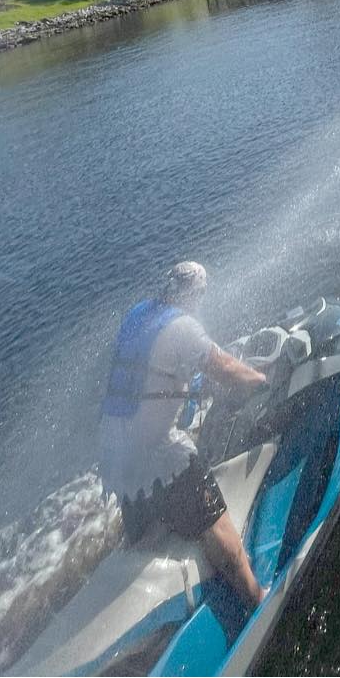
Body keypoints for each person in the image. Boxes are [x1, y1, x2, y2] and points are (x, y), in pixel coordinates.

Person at [99, 261, 269, 610]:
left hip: (113, 455)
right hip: (158, 456)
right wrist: (262, 381)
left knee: (147, 536)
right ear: (196, 294)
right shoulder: (184, 328)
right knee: (217, 525)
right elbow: (226, 368)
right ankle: (255, 596)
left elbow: (149, 373)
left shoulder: (138, 315)